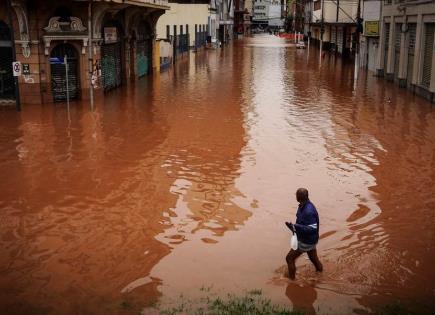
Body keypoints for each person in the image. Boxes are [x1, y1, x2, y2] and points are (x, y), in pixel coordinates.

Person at [285, 188, 323, 279]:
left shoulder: (308, 211)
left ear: (298, 197)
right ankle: (320, 273)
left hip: (306, 241)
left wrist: (296, 227)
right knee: (313, 258)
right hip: (311, 239)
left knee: (289, 258)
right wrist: (293, 227)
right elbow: (304, 225)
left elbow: (312, 229)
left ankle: (291, 281)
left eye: (296, 195)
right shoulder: (303, 205)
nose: (296, 196)